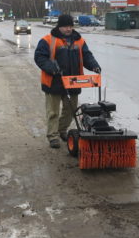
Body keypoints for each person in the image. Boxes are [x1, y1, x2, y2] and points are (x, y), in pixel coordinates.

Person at [34, 14, 101, 148]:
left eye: (70, 26)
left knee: (71, 110)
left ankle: (61, 130)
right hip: (54, 81)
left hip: (73, 81)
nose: (68, 29)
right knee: (53, 112)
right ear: (59, 26)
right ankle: (53, 136)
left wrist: (94, 65)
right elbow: (39, 57)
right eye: (65, 26)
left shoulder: (79, 40)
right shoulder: (48, 40)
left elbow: (87, 55)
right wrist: (52, 68)